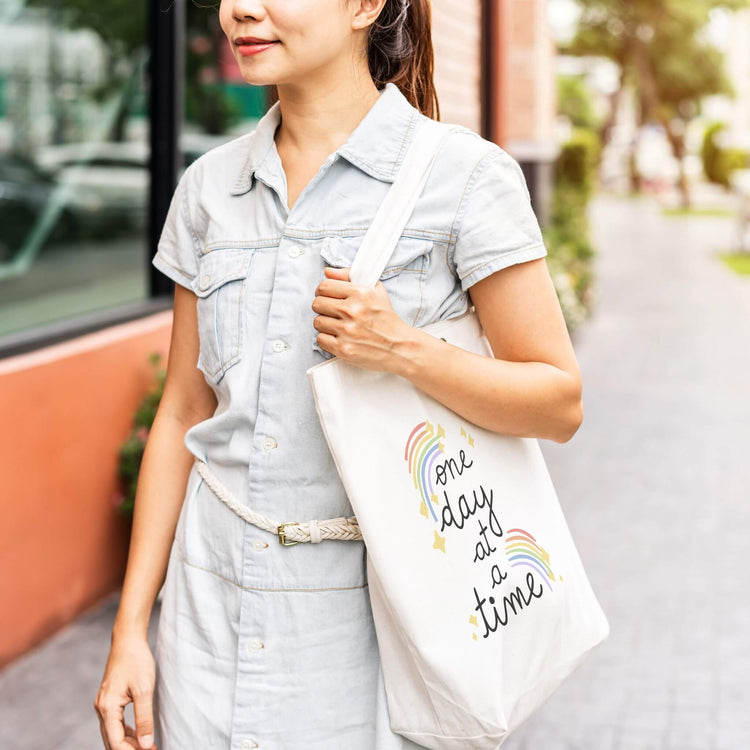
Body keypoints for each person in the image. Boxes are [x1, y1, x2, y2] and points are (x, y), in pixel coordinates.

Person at [94, 0, 583, 748]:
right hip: (209, 614)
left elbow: (558, 401)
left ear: (365, 6)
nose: (239, 10)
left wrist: (401, 349)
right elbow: (182, 412)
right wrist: (132, 630)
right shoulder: (208, 190)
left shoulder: (465, 179)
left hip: (380, 625)